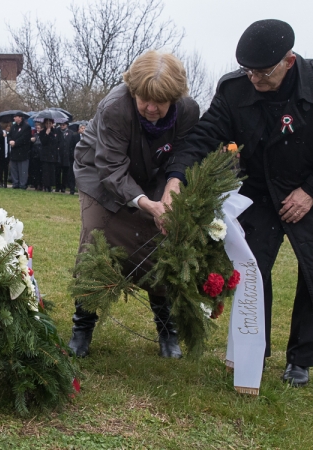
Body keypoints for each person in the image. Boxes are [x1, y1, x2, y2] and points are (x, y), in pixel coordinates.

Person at [175, 19, 313, 386]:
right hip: (262, 191)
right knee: (252, 268)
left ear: (288, 62)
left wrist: (311, 191)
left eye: (263, 73)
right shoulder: (234, 89)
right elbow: (205, 135)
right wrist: (176, 177)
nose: (255, 80)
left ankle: (301, 360)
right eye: (248, 71)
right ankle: (253, 349)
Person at [69, 50, 200, 359]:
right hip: (101, 176)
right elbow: (112, 169)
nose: (151, 108)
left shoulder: (188, 111)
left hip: (155, 175)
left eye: (160, 102)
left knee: (162, 242)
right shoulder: (115, 107)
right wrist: (147, 203)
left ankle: (168, 329)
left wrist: (173, 187)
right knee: (96, 237)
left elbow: (184, 152)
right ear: (132, 90)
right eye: (144, 100)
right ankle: (82, 327)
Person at [8, 113, 32, 189]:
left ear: (20, 118)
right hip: (14, 151)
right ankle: (15, 183)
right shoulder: (13, 127)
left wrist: (16, 142)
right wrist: (10, 141)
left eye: (16, 117)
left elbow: (25, 138)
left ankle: (22, 184)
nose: (14, 118)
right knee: (14, 168)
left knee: (23, 170)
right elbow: (9, 135)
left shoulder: (26, 127)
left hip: (23, 152)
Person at [38, 118, 61, 192]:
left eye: (50, 123)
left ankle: (51, 185)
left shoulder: (56, 131)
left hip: (53, 154)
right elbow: (43, 141)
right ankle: (46, 185)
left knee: (52, 171)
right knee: (45, 171)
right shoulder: (42, 132)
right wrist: (46, 134)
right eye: (47, 123)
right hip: (45, 154)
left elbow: (57, 141)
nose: (48, 125)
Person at [57, 121, 79, 194]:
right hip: (59, 154)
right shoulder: (58, 132)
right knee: (58, 172)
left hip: (67, 155)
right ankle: (58, 187)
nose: (62, 126)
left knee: (66, 172)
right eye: (61, 125)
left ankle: (65, 187)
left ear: (66, 125)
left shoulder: (71, 133)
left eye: (63, 125)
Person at [29, 123, 43, 190]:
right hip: (35, 154)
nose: (38, 130)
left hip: (41, 154)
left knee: (41, 170)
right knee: (35, 170)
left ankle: (41, 184)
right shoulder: (34, 135)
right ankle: (35, 184)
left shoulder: (43, 135)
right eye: (37, 128)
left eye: (39, 128)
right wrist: (31, 141)